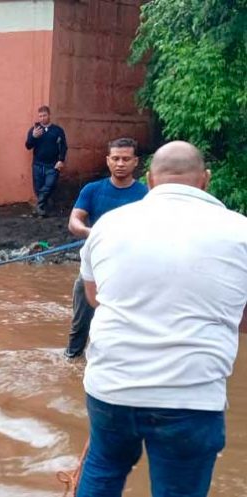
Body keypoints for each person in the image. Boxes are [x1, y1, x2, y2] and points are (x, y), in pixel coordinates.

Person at [76, 141, 247, 497]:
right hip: (191, 396)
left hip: (111, 387)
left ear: (150, 181)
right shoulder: (240, 231)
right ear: (206, 181)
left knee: (104, 468)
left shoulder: (108, 226)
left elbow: (95, 298)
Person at [64, 138, 148, 359]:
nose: (120, 163)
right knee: (80, 323)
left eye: (126, 159)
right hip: (93, 266)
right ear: (108, 161)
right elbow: (74, 221)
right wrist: (91, 233)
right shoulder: (92, 190)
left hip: (131, 270)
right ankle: (72, 362)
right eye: (116, 158)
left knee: (126, 324)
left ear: (135, 162)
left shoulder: (146, 195)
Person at [25, 105, 68, 217]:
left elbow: (63, 147)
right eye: (40, 116)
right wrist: (33, 136)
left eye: (44, 115)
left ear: (49, 115)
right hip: (37, 164)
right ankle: (42, 209)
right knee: (38, 188)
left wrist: (61, 160)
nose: (42, 118)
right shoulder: (34, 130)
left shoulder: (57, 130)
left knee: (49, 185)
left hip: (52, 165)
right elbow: (28, 146)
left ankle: (38, 207)